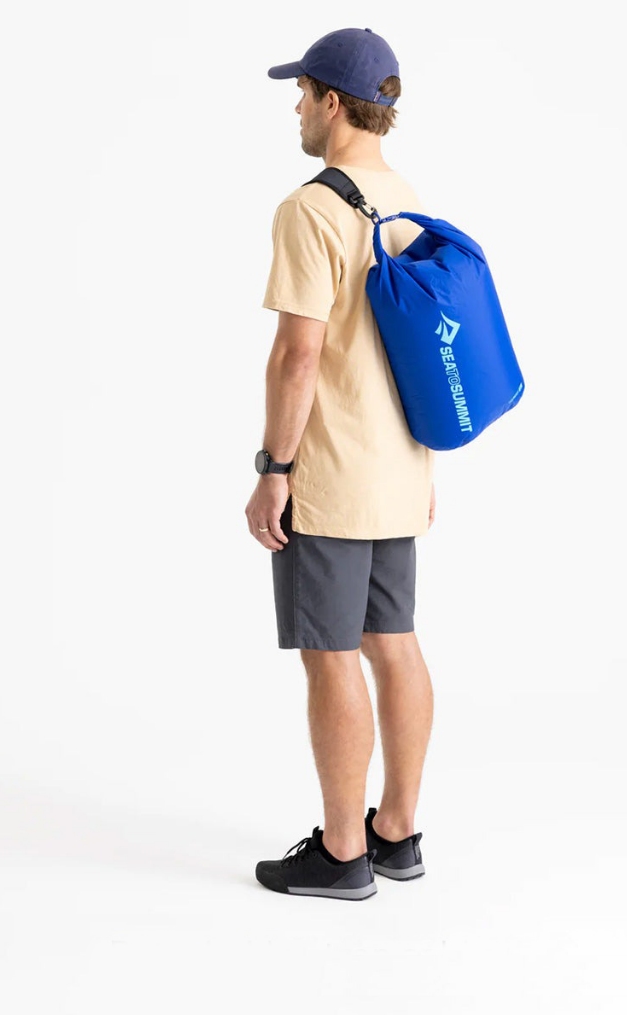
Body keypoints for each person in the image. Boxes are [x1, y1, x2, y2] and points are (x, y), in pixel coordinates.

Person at [246, 27, 434, 900]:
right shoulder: (405, 201)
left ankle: (341, 852)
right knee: (393, 644)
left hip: (330, 472)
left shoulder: (312, 210)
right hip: (400, 465)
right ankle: (397, 833)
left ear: (332, 102)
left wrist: (273, 467)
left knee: (329, 654)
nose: (295, 108)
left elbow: (298, 356)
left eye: (302, 93)